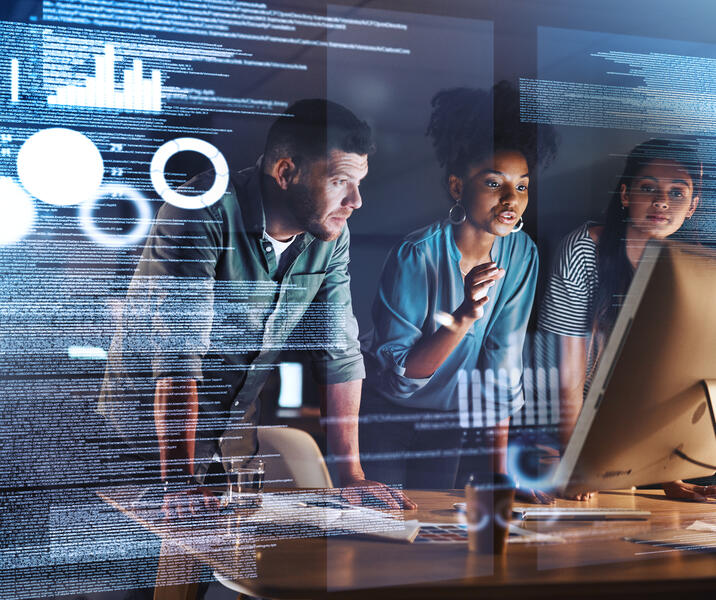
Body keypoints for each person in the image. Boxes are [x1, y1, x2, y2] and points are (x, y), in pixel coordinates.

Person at [98, 99, 414, 516]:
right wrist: (177, 481)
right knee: (156, 575)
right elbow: (179, 357)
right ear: (285, 173)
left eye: (360, 182)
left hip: (235, 452)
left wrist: (351, 474)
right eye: (340, 181)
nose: (356, 200)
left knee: (237, 576)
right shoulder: (202, 209)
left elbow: (338, 352)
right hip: (150, 450)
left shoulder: (332, 235)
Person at [359, 82, 558, 500]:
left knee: (430, 545)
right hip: (386, 419)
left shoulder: (521, 254)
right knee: (381, 544)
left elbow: (504, 364)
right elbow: (402, 376)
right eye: (493, 183)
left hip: (448, 421)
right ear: (456, 188)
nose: (511, 199)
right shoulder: (416, 254)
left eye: (522, 186)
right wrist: (465, 314)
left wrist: (500, 476)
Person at [538, 138, 716, 501]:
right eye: (648, 188)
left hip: (631, 443)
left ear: (693, 206)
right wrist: (578, 465)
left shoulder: (692, 268)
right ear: (624, 195)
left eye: (677, 193)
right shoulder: (584, 249)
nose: (662, 201)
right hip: (559, 431)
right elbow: (565, 378)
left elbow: (667, 380)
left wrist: (669, 472)